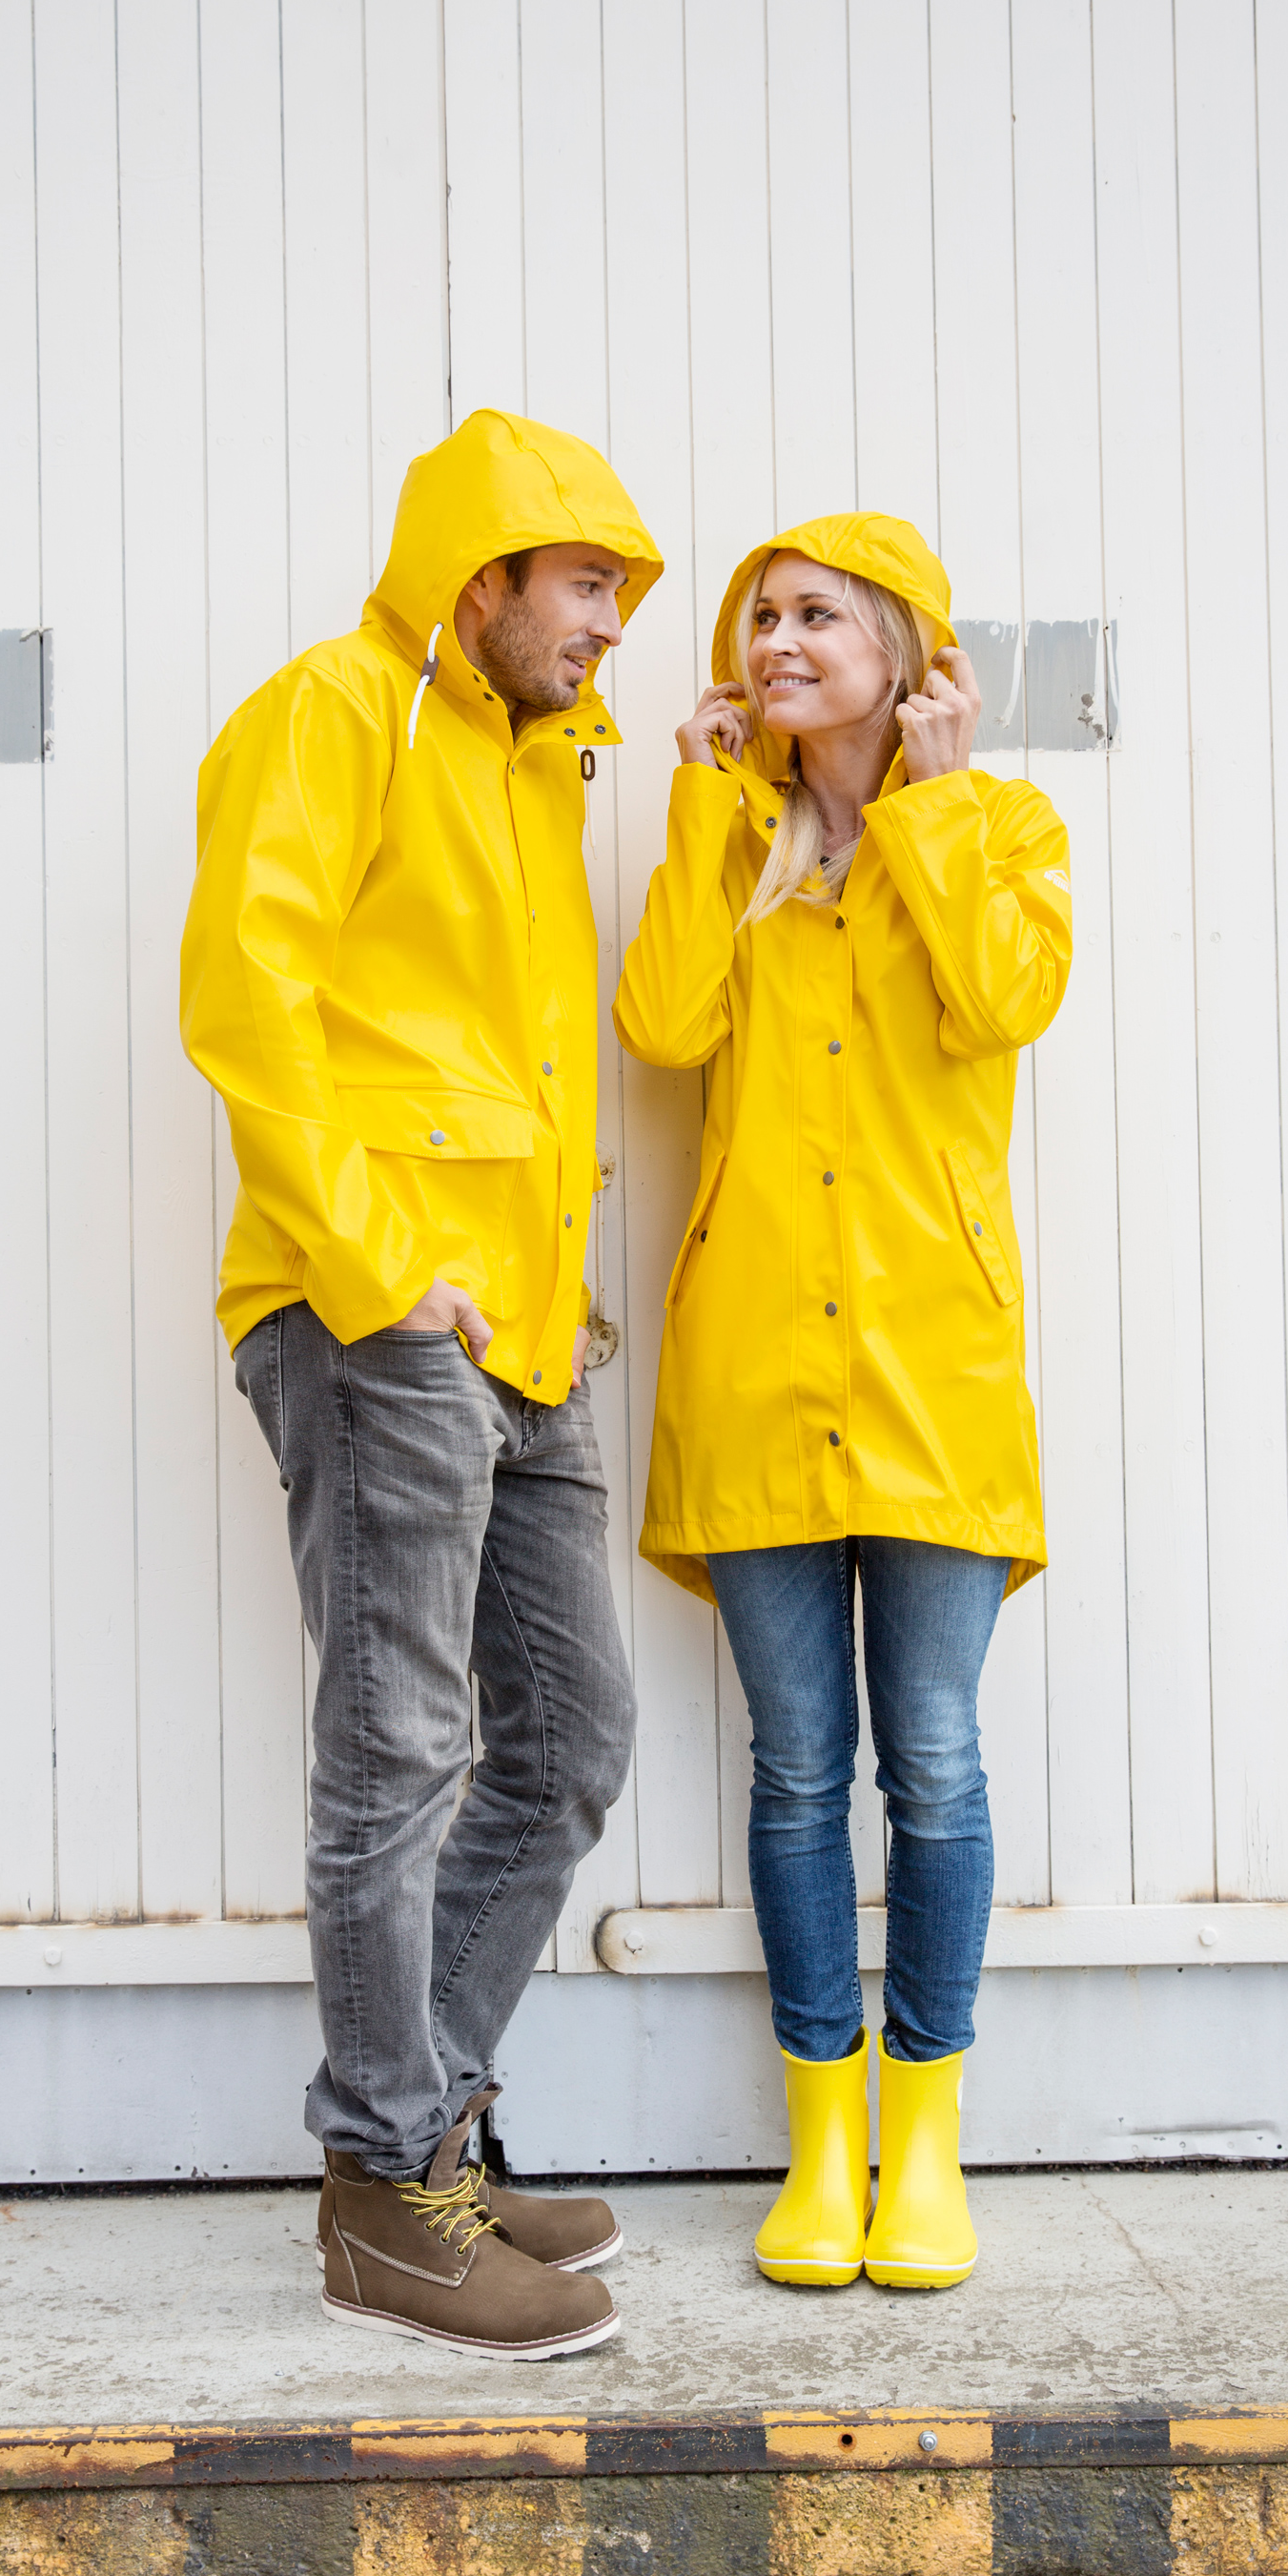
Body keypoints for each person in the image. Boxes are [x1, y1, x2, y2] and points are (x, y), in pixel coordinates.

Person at [181, 410, 662, 2359]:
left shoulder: (537, 769)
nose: (613, 627)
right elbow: (250, 1005)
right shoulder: (333, 711)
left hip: (523, 1336)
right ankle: (386, 2197)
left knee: (569, 1742)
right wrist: (387, 1280)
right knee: (398, 1746)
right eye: (588, 585)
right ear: (484, 578)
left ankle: (425, 2137)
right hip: (379, 1314)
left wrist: (537, 1301)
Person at [613, 515, 1071, 2291]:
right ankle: (822, 2147)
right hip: (755, 1363)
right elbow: (661, 1027)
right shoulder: (737, 841)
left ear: (904, 650)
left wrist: (929, 810)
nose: (778, 641)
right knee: (800, 1771)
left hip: (935, 1368)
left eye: (816, 615)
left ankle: (925, 2145)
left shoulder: (1001, 829)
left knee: (933, 1763)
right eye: (761, 619)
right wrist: (703, 806)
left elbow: (1005, 997)